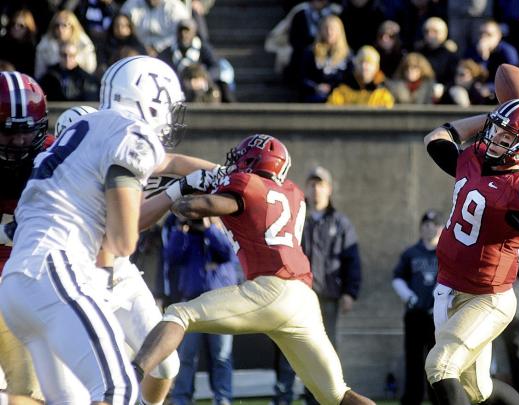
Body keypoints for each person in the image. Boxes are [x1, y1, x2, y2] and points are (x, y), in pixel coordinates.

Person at [0, 55, 217, 403]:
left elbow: (169, 162)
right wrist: (174, 195)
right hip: (59, 269)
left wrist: (226, 176)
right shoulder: (132, 133)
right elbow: (122, 240)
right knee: (119, 388)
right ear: (150, 100)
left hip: (19, 283)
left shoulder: (87, 129)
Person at [131, 134, 376, 405]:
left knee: (179, 314)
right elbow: (249, 194)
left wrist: (184, 191)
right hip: (304, 299)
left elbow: (198, 207)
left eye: (240, 157)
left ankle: (128, 377)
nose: (234, 162)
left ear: (252, 160)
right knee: (337, 395)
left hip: (269, 289)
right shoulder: (294, 193)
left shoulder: (245, 183)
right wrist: (211, 181)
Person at [422, 98, 519, 405]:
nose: (494, 138)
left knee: (440, 366)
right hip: (448, 289)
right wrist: (494, 116)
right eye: (495, 130)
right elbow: (436, 138)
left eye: (507, 136)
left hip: (487, 298)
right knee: (478, 390)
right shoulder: (472, 158)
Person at [54, 104, 182, 405]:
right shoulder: (54, 180)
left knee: (166, 365)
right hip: (75, 279)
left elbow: (171, 164)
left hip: (120, 274)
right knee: (86, 382)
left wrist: (219, 176)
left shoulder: (114, 162)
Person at [273, 164, 363, 405]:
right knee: (289, 349)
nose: (315, 190)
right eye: (311, 184)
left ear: (329, 189)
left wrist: (350, 292)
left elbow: (352, 260)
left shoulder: (341, 223)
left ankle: (318, 401)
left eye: (320, 184)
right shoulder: (295, 218)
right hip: (297, 296)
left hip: (328, 298)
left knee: (325, 353)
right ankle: (284, 398)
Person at [0, 71, 54, 405]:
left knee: (34, 388)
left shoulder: (53, 155)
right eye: (9, 133)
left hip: (36, 285)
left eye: (26, 131)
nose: (20, 141)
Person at [163, 215, 238, 405]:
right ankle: (181, 399)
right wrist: (181, 230)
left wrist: (210, 227)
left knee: (222, 356)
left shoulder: (220, 225)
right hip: (192, 302)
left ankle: (223, 399)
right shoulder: (184, 233)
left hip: (220, 303)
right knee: (186, 355)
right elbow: (171, 258)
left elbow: (227, 253)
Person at [392, 209, 442, 405]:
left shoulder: (445, 253)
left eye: (433, 225)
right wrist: (409, 296)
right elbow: (397, 278)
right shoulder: (410, 253)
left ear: (440, 228)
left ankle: (437, 398)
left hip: (436, 317)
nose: (429, 229)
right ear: (421, 229)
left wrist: (438, 298)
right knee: (413, 360)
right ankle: (412, 399)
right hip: (414, 316)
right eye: (425, 225)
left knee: (437, 361)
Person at [326, 45, 395, 107]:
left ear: (376, 68)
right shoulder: (341, 91)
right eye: (361, 62)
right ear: (355, 65)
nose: (364, 66)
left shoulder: (383, 94)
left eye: (369, 63)